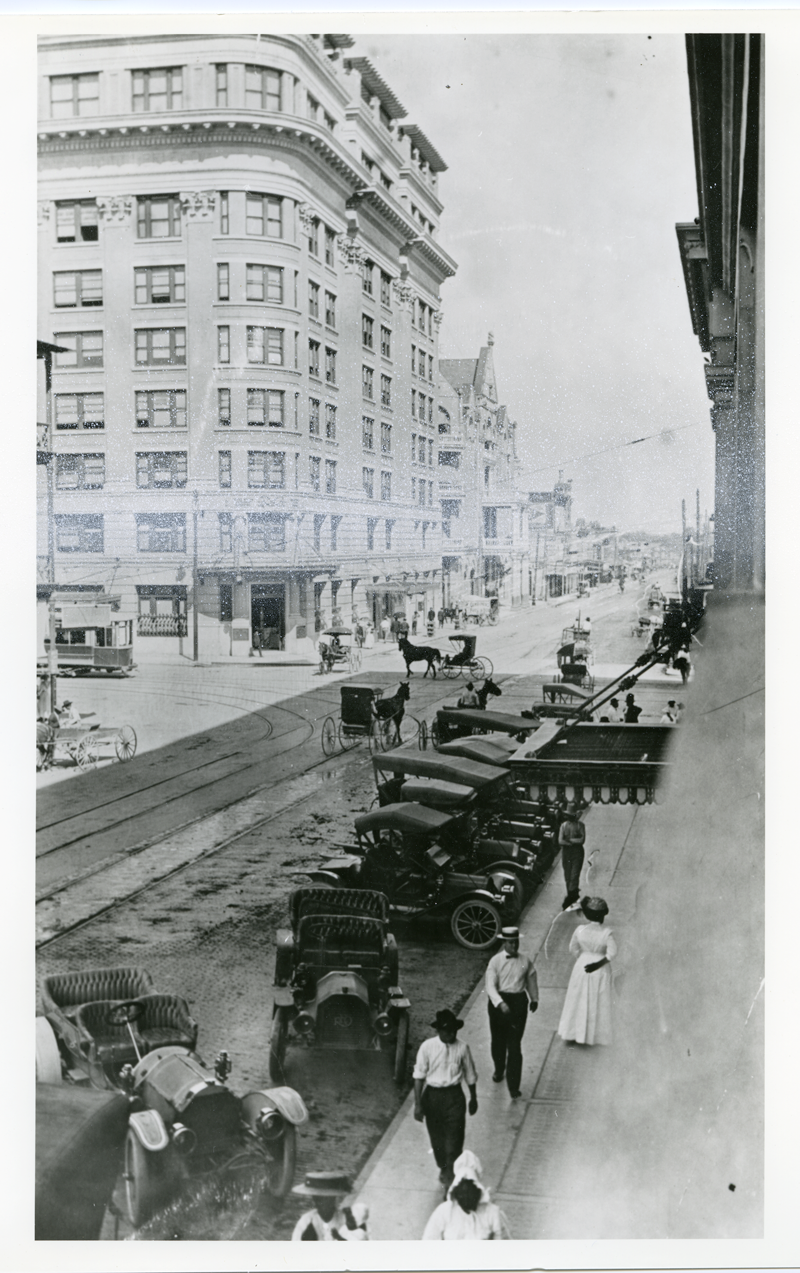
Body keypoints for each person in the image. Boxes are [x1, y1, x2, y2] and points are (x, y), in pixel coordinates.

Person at [413, 1008, 478, 1190]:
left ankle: (451, 1177)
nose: (451, 1034)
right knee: (437, 1140)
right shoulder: (427, 1047)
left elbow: (470, 1074)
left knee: (455, 1140)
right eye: (447, 1031)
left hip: (454, 1097)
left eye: (454, 1031)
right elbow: (418, 1077)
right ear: (439, 1030)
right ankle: (444, 1168)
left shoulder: (463, 1048)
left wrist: (473, 1098)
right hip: (432, 1098)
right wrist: (418, 1104)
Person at [485, 927, 538, 1098]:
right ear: (504, 943)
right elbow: (490, 986)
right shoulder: (495, 961)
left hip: (518, 1004)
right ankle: (499, 1069)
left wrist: (534, 998)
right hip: (498, 1003)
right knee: (498, 1041)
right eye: (510, 943)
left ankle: (514, 1087)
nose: (514, 946)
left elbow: (531, 979)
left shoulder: (525, 961)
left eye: (516, 942)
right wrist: (500, 1003)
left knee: (514, 1045)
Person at [557, 897, 617, 1046]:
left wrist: (583, 958)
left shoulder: (580, 930)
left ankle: (573, 1033)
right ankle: (597, 1037)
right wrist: (597, 963)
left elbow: (573, 948)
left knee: (578, 997)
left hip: (582, 967)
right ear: (603, 915)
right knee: (600, 1000)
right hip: (600, 970)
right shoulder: (607, 933)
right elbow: (612, 953)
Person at [422, 1150, 510, 1240]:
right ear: (455, 1194)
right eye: (462, 1195)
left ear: (478, 1192)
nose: (466, 1199)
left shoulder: (493, 1213)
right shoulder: (443, 1212)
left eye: (470, 1194)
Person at [291, 1171, 369, 1241]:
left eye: (326, 1198)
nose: (321, 1203)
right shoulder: (306, 1221)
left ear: (333, 1198)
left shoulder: (347, 1220)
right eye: (317, 1198)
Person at [558, 802, 586, 910]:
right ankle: (573, 896)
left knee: (574, 876)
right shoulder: (563, 826)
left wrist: (569, 840)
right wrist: (574, 841)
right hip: (567, 853)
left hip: (577, 853)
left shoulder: (580, 825)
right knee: (568, 876)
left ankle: (570, 898)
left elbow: (582, 840)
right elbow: (560, 841)